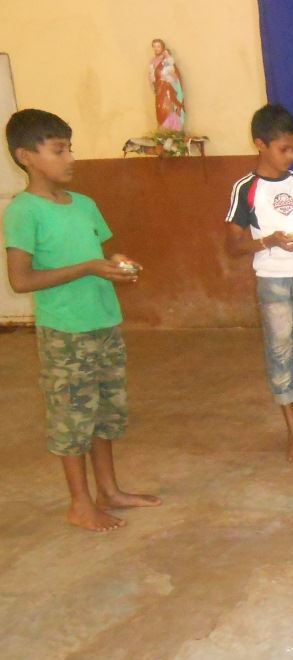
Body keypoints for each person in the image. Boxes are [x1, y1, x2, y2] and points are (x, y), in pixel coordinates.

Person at [3, 109, 161, 531]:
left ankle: (109, 490)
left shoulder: (85, 205)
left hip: (103, 323)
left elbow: (99, 254)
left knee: (105, 412)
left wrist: (115, 263)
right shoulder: (24, 211)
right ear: (26, 157)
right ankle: (80, 503)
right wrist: (89, 268)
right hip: (66, 332)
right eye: (58, 150)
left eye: (69, 148)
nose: (70, 157)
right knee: (72, 417)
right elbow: (20, 280)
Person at [225, 104, 293, 463]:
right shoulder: (247, 188)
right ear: (260, 144)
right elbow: (233, 245)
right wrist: (269, 240)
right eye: (283, 149)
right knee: (280, 353)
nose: (291, 156)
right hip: (272, 282)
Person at [148, 39, 186, 132]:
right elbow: (151, 76)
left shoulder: (167, 59)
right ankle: (163, 130)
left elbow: (174, 75)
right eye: (154, 46)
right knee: (160, 108)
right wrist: (153, 83)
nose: (156, 48)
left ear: (162, 47)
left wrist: (169, 78)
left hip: (168, 89)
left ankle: (173, 128)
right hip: (159, 89)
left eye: (158, 46)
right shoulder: (153, 61)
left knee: (169, 107)